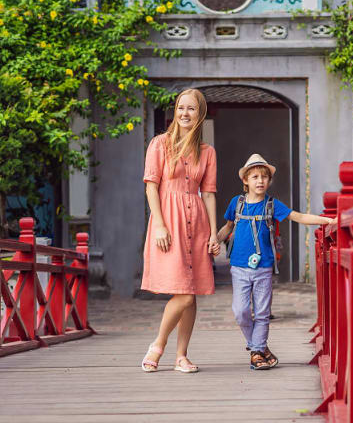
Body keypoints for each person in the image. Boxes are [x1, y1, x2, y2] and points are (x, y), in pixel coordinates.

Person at [216, 154, 335, 370]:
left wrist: (328, 220)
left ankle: (256, 353)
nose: (260, 181)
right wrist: (213, 241)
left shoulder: (272, 205)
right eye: (255, 177)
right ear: (245, 180)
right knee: (240, 311)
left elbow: (298, 217)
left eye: (264, 177)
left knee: (261, 312)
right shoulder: (237, 203)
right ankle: (258, 347)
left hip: (263, 267)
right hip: (239, 267)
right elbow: (228, 227)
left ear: (269, 181)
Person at [140, 88, 219, 374]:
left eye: (192, 109)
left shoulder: (207, 152)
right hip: (169, 222)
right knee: (183, 293)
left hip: (197, 224)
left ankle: (181, 356)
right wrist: (159, 223)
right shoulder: (160, 144)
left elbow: (208, 193)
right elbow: (151, 186)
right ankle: (158, 345)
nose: (185, 114)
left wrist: (212, 233)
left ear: (200, 114)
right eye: (181, 108)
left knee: (192, 292)